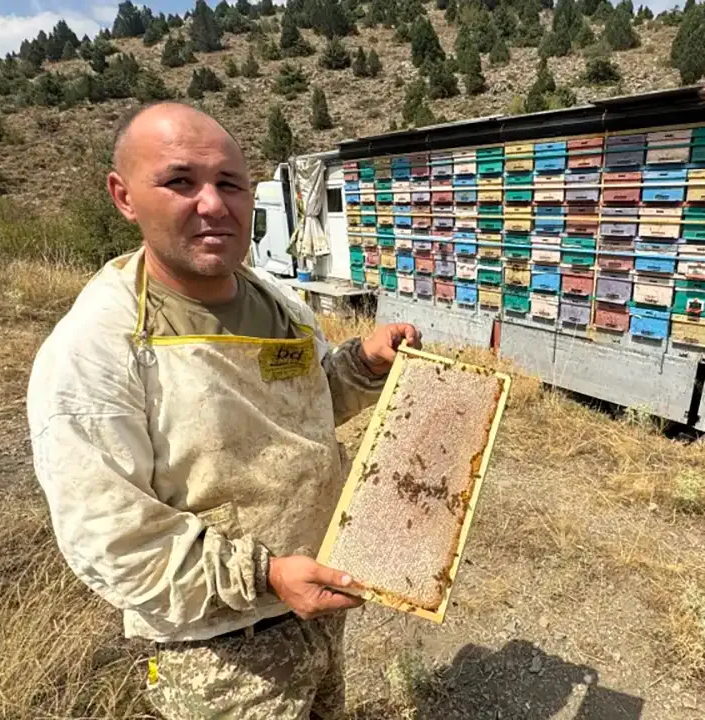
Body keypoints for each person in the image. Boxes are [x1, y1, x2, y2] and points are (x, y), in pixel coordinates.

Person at [26, 101, 420, 719]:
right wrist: (264, 577)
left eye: (229, 183)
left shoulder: (279, 302)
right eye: (180, 182)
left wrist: (360, 366)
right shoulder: (94, 349)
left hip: (315, 601)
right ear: (124, 196)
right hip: (216, 648)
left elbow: (305, 406)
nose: (213, 204)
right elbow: (112, 538)